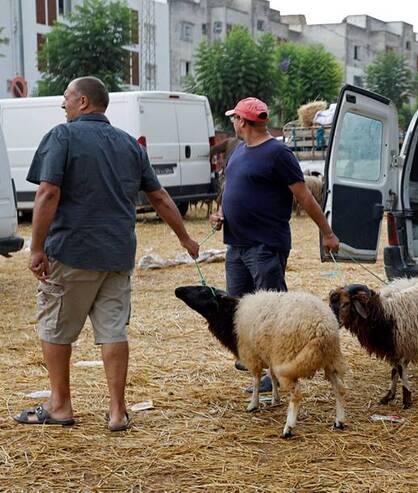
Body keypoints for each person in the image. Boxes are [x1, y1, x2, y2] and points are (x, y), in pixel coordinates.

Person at [15, 76, 199, 431]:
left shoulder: (62, 136)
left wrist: (36, 247)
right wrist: (185, 238)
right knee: (113, 330)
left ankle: (60, 405)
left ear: (83, 101)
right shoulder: (130, 144)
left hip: (71, 251)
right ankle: (117, 411)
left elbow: (47, 193)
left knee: (55, 329)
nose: (62, 104)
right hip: (117, 255)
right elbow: (159, 198)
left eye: (67, 97)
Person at [209, 97, 340, 389]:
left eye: (234, 118)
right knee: (242, 310)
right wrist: (221, 213)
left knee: (274, 314)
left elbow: (304, 196)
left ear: (243, 121)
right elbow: (232, 188)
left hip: (265, 246)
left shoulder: (278, 153)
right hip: (236, 245)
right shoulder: (239, 150)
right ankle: (258, 366)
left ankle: (278, 373)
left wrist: (327, 232)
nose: (233, 122)